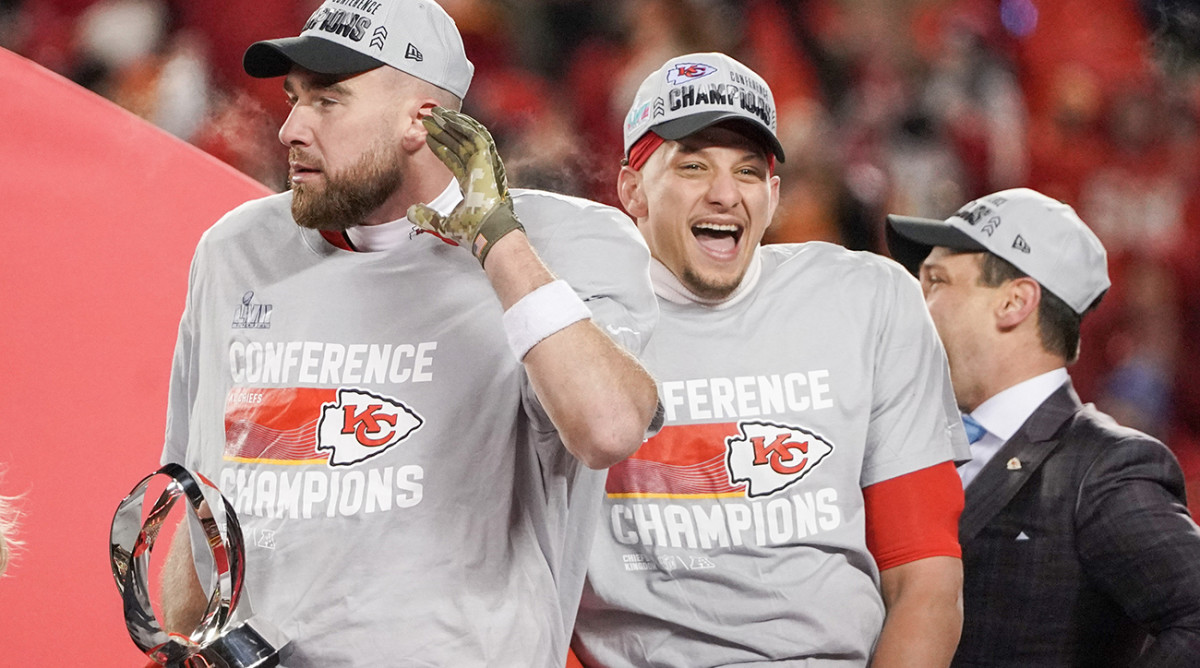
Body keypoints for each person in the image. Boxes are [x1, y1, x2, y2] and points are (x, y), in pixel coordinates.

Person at [158, 0, 661, 665]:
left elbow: (608, 429)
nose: (289, 129)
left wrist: (495, 238)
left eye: (328, 102)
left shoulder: (566, 243)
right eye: (292, 98)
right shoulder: (236, 252)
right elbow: (208, 506)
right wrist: (177, 642)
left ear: (421, 121)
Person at [570, 52, 970, 667]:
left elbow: (924, 578)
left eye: (749, 172)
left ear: (774, 194)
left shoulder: (869, 300)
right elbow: (521, 583)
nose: (725, 194)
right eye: (694, 165)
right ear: (631, 190)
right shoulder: (567, 321)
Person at [886, 188, 1200, 666]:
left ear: (1014, 302)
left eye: (938, 282)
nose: (918, 304)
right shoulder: (911, 439)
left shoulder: (1104, 468)